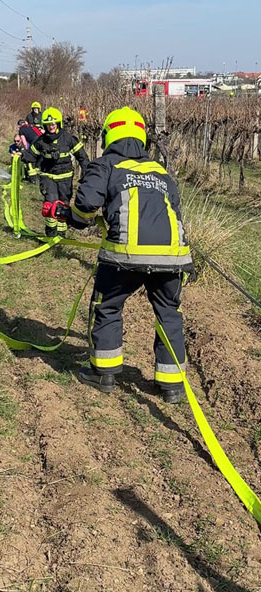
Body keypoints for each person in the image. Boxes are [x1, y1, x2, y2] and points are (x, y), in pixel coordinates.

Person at [60, 106, 193, 403]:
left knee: (107, 306)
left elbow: (85, 207)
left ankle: (103, 373)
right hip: (172, 257)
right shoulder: (160, 171)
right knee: (169, 314)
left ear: (108, 136)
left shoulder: (106, 164)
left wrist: (73, 217)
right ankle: (171, 385)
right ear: (142, 137)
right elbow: (174, 210)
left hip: (125, 256)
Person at [22, 107, 89, 237]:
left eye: (53, 123)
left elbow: (82, 157)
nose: (51, 126)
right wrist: (21, 156)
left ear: (58, 123)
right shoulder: (40, 141)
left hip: (65, 178)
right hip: (48, 177)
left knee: (63, 205)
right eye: (48, 124)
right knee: (50, 204)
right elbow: (31, 155)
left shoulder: (68, 139)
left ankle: (61, 234)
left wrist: (86, 173)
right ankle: (51, 233)